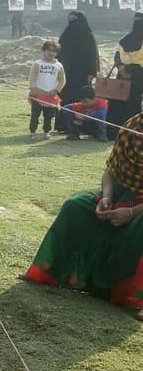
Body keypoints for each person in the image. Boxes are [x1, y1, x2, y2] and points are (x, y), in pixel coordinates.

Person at [23, 110, 143, 319]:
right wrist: (106, 198)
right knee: (75, 206)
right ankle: (52, 273)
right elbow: (110, 170)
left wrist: (131, 212)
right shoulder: (133, 125)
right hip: (118, 194)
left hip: (139, 206)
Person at [107, 12, 143, 139]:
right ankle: (132, 133)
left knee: (120, 102)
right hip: (138, 77)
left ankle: (115, 132)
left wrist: (122, 68)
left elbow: (117, 56)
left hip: (123, 76)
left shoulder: (124, 39)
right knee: (133, 104)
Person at [56, 11, 99, 112]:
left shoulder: (88, 35)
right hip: (66, 72)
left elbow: (93, 55)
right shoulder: (65, 34)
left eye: (74, 19)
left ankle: (80, 121)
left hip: (82, 73)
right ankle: (63, 121)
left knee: (81, 96)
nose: (72, 22)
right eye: (70, 20)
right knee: (65, 96)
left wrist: (92, 72)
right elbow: (59, 52)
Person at [28, 40, 66, 141]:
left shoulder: (59, 66)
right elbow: (32, 77)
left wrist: (56, 90)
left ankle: (46, 132)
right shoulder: (37, 64)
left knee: (48, 116)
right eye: (49, 50)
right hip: (37, 94)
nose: (51, 53)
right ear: (44, 51)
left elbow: (62, 80)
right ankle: (33, 132)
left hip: (50, 95)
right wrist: (33, 88)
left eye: (54, 51)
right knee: (35, 115)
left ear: (56, 53)